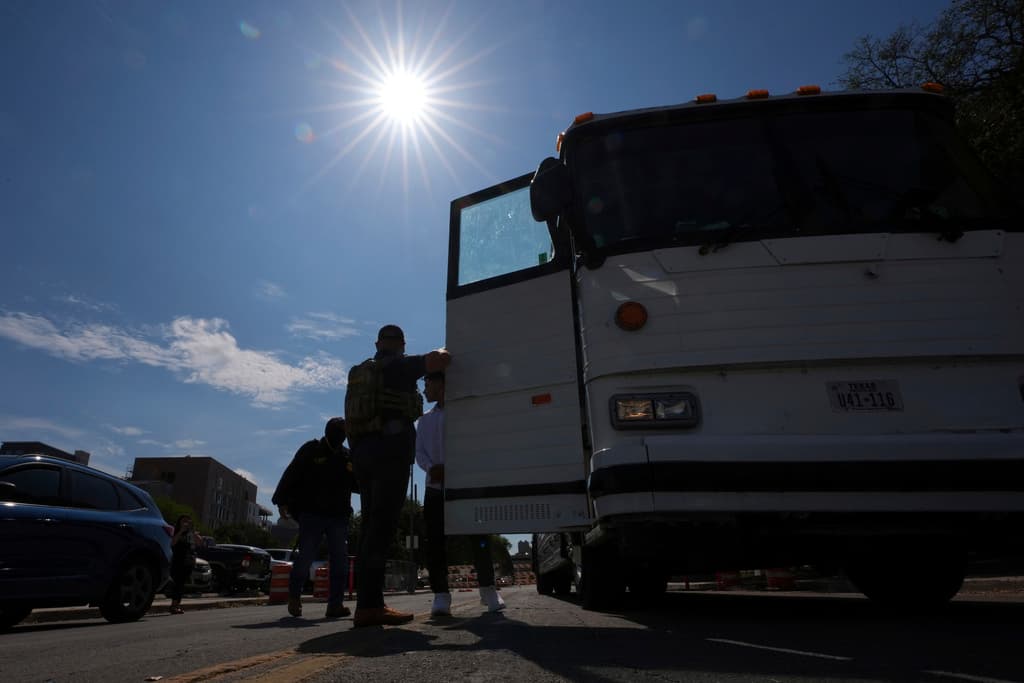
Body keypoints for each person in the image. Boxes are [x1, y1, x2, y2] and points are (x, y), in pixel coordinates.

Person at [345, 324, 450, 628]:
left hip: (363, 454)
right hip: (389, 454)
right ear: (401, 345)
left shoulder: (364, 371)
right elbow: (438, 360)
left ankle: (367, 604)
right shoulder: (399, 367)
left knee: (368, 528)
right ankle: (370, 606)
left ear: (377, 343)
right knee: (380, 528)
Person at [416, 370, 506, 616]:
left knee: (478, 537)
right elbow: (420, 453)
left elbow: (475, 445)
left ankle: (488, 590)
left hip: (466, 487)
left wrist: (455, 469)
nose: (425, 390)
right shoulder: (424, 420)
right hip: (435, 489)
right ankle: (441, 595)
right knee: (435, 543)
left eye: (428, 384)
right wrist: (431, 468)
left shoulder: (465, 414)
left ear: (440, 384)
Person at [271, 417, 357, 619]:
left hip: (338, 515)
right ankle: (294, 596)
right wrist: (281, 500)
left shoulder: (347, 456)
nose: (342, 436)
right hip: (313, 513)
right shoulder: (312, 449)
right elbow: (291, 473)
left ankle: (335, 605)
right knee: (306, 557)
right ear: (329, 431)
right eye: (339, 431)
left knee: (339, 561)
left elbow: (357, 483)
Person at [169, 514, 201, 614]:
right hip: (178, 561)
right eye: (184, 521)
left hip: (188, 562)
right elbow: (172, 543)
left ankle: (177, 605)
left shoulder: (190, 533)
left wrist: (193, 532)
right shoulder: (176, 531)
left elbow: (199, 542)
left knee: (181, 585)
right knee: (177, 584)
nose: (186, 523)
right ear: (179, 522)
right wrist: (181, 531)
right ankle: (173, 606)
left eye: (188, 521)